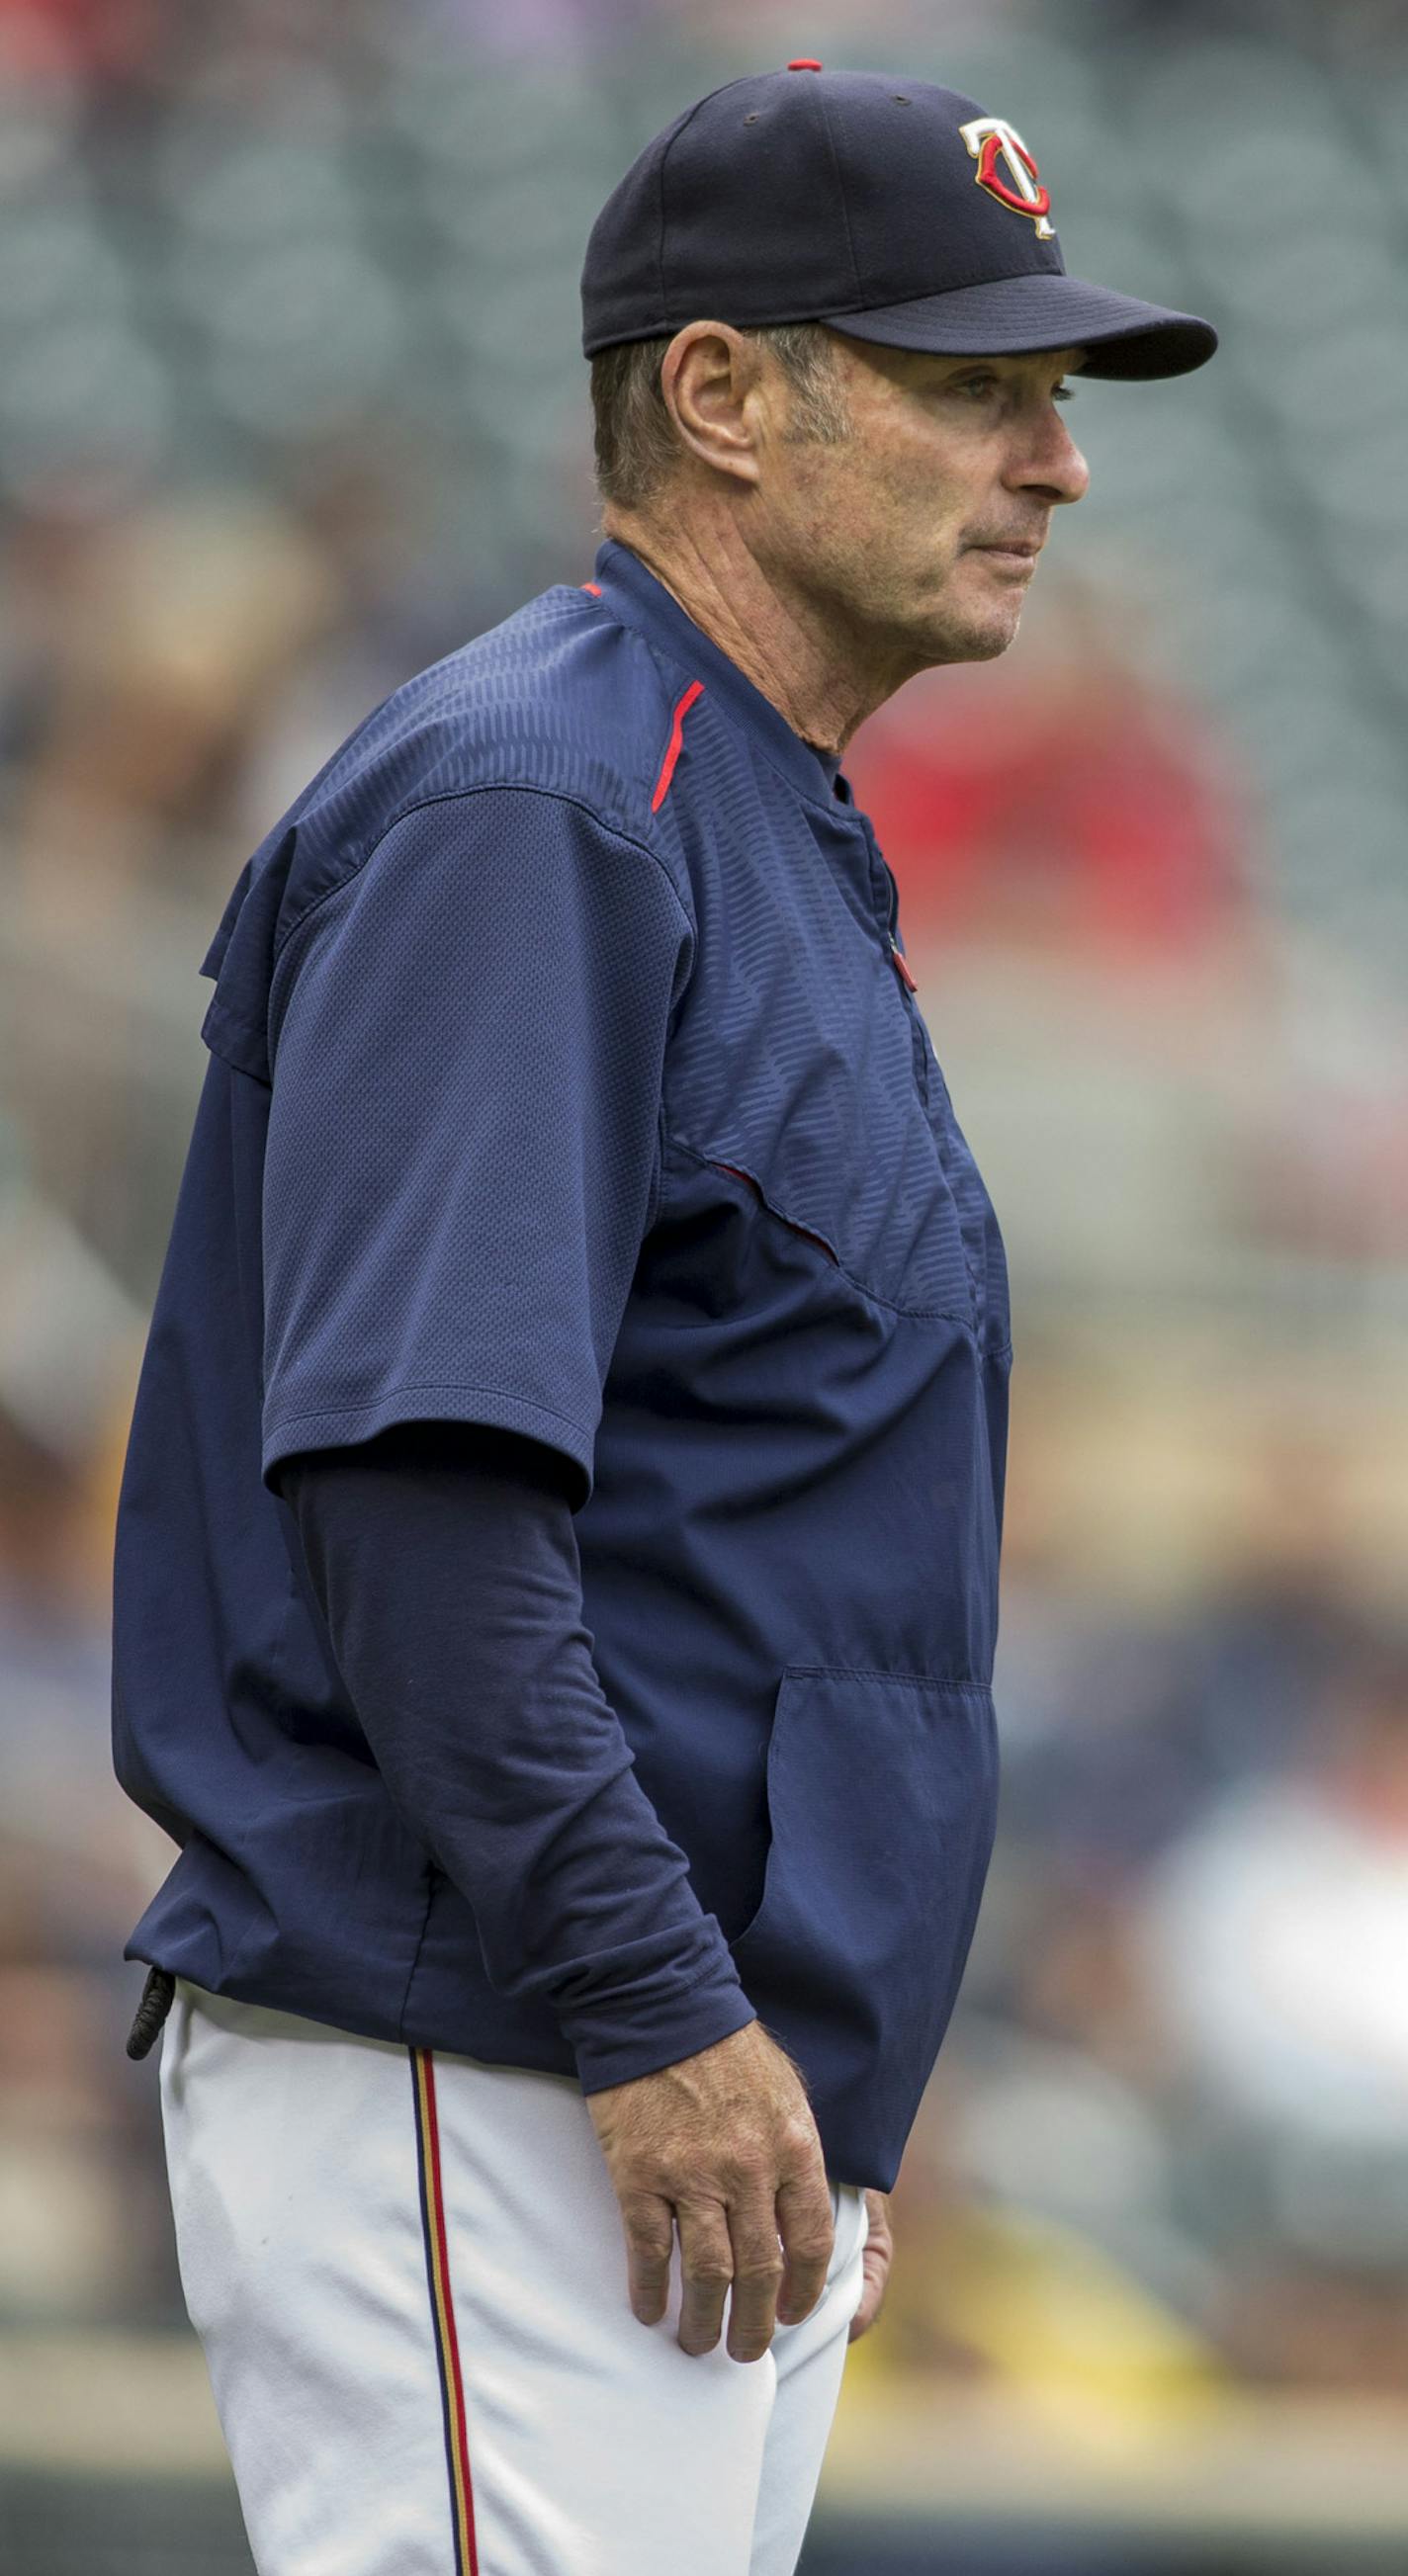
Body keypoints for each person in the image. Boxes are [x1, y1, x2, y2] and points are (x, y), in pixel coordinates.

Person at [110, 61, 1215, 2576]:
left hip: (669, 2092)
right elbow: (417, 1489)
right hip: (510, 2049)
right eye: (970, 385)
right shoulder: (540, 803)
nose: (1050, 462)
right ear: (718, 393)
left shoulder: (745, 815)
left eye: (1051, 398)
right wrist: (651, 2007)